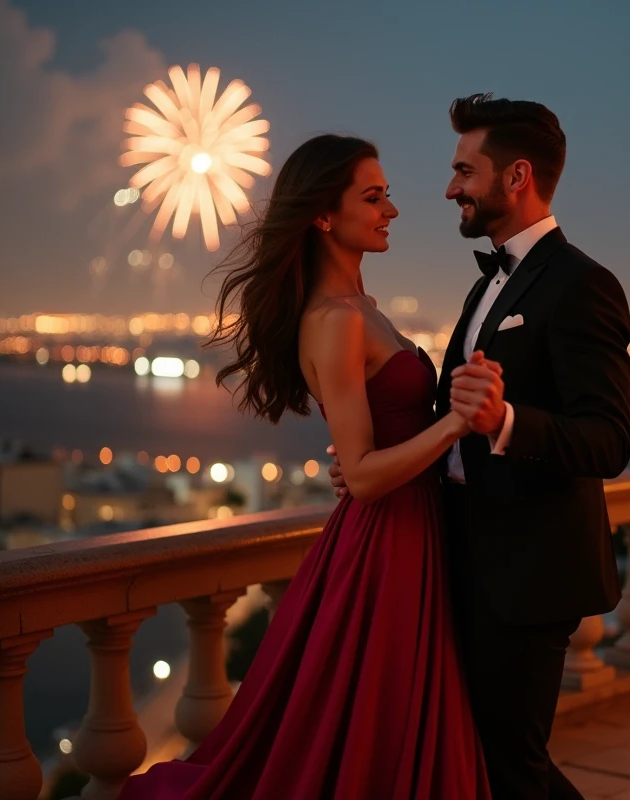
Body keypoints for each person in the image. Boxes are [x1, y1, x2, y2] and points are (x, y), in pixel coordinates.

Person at [116, 134, 491, 799]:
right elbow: (368, 474)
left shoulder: (362, 310)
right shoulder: (333, 320)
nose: (392, 211)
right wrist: (456, 423)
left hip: (413, 535)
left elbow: (369, 454)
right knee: (380, 730)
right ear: (323, 214)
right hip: (386, 547)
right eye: (373, 198)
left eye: (388, 196)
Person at [331, 94, 630, 799]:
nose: (448, 188)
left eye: (464, 170)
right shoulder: (490, 285)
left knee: (511, 764)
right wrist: (371, 467)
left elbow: (609, 441)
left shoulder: (581, 285)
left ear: (516, 176)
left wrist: (506, 421)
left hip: (529, 575)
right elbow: (449, 419)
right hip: (460, 560)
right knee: (470, 760)